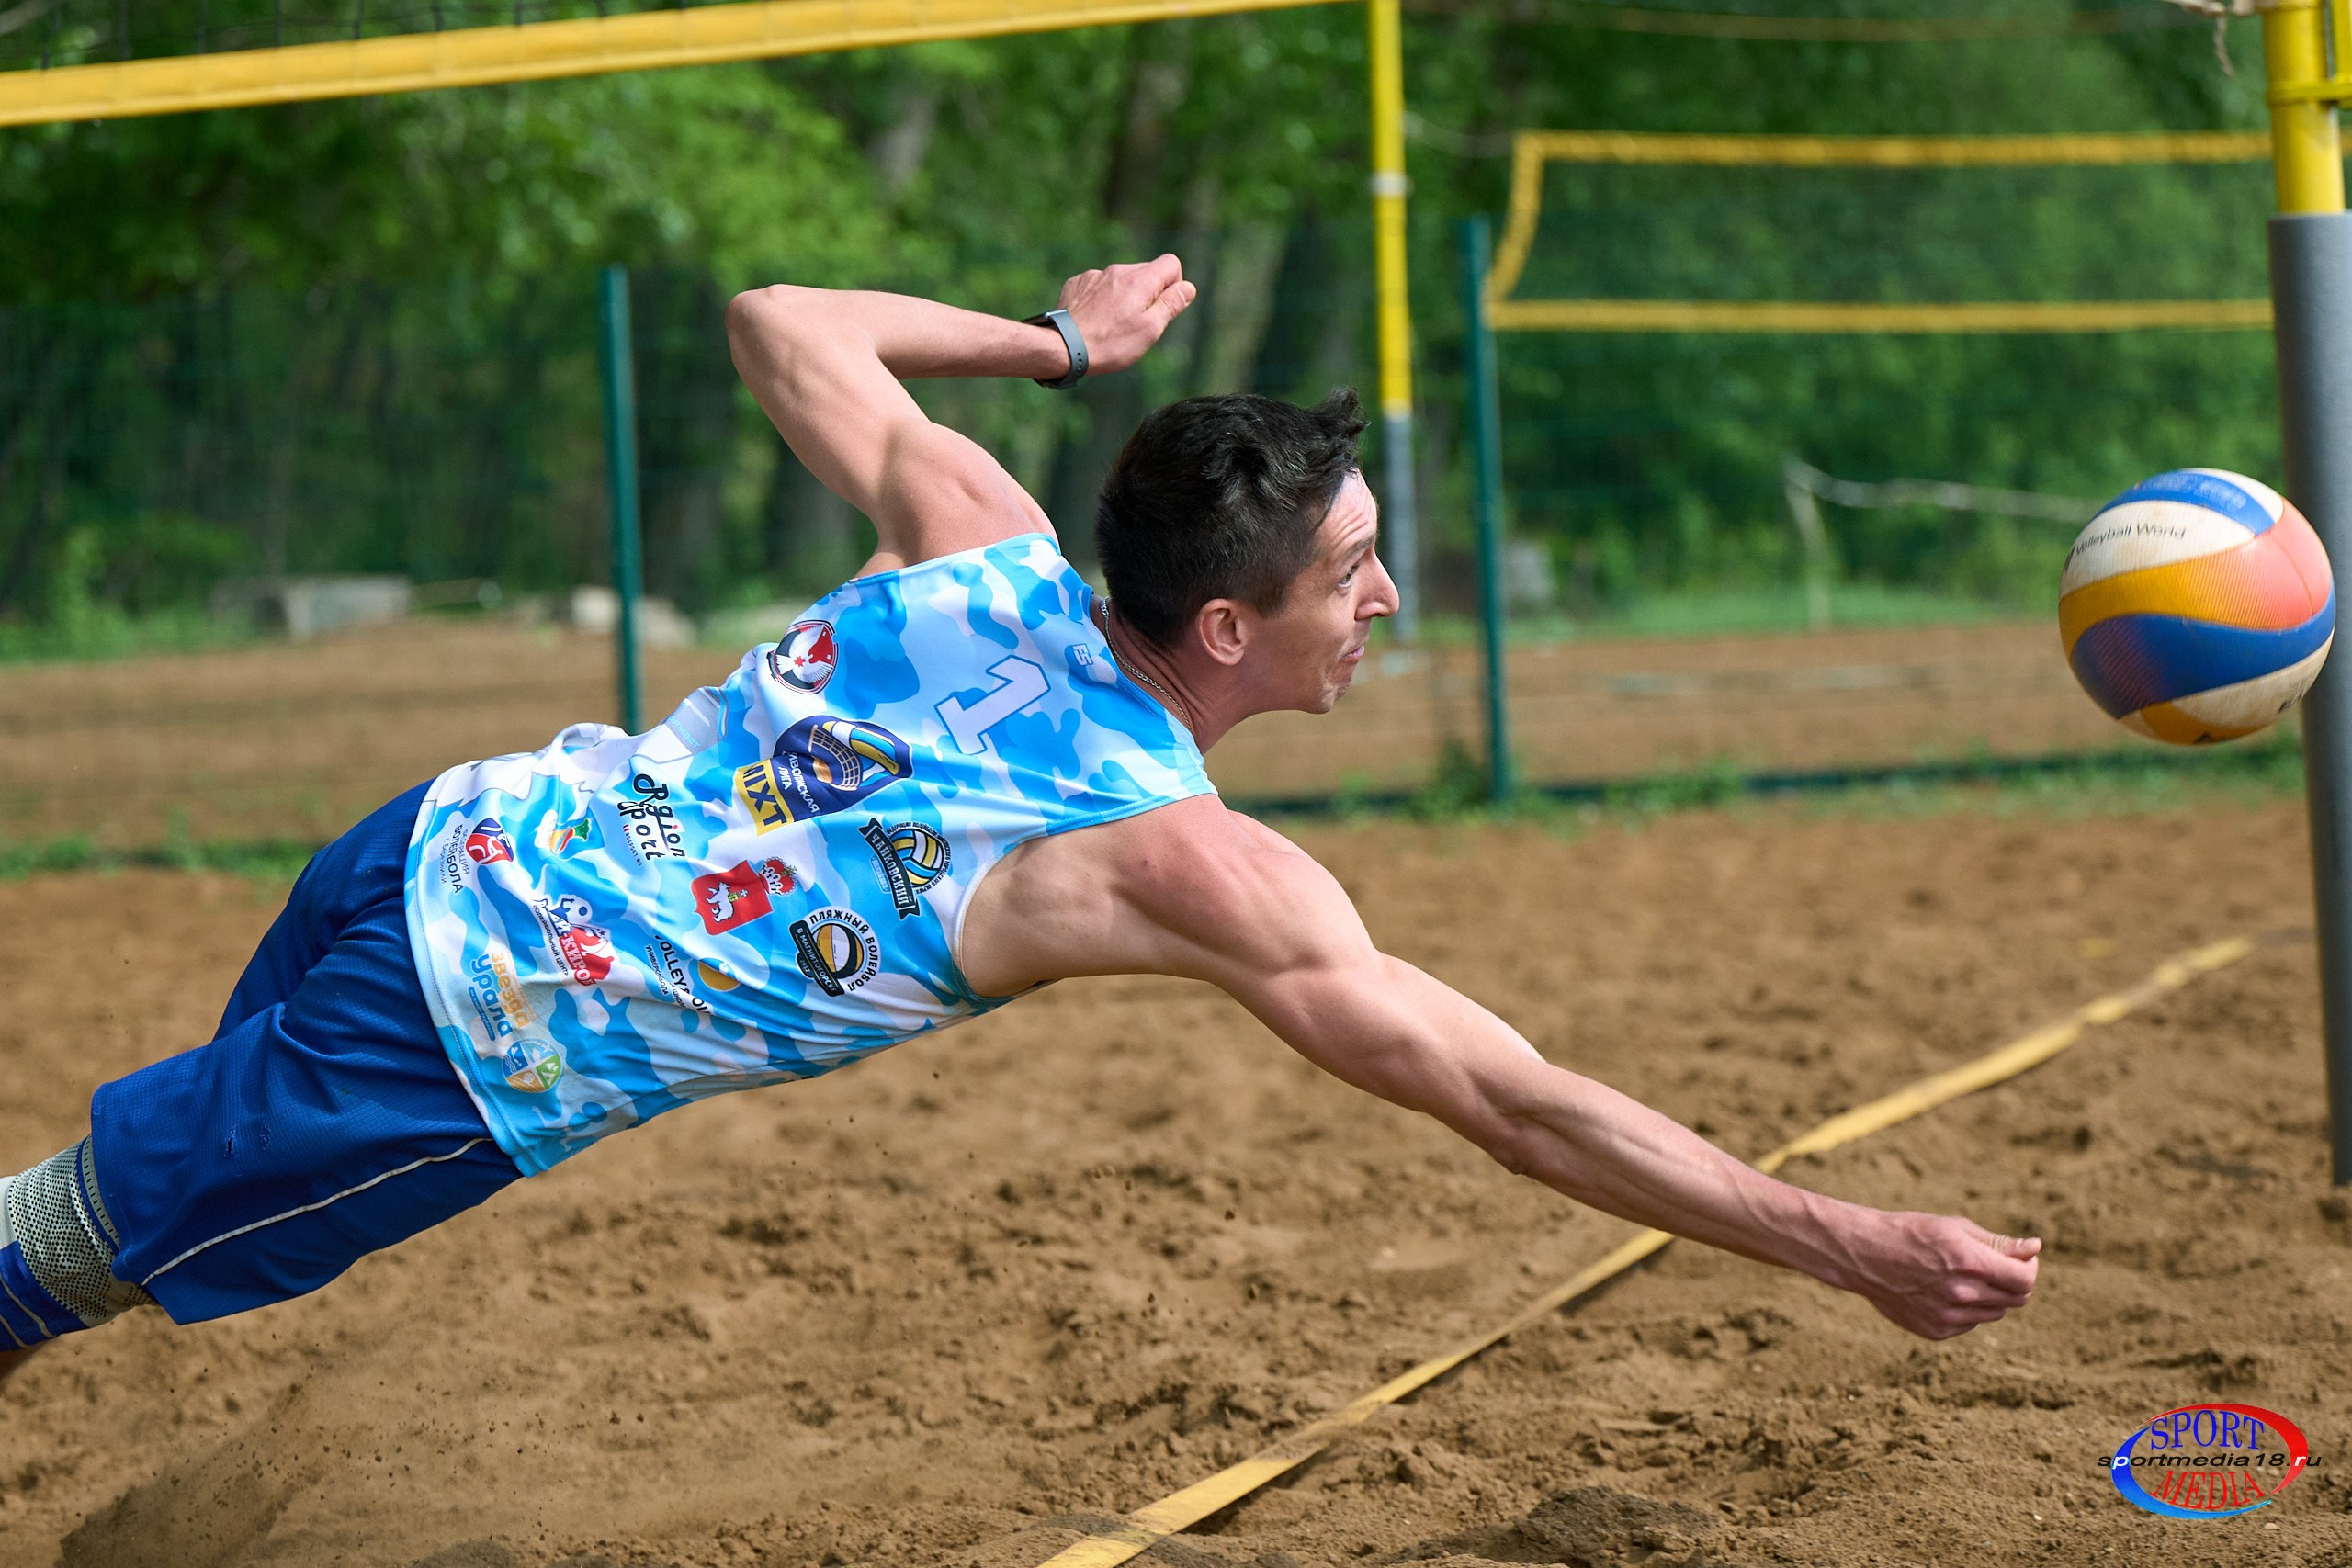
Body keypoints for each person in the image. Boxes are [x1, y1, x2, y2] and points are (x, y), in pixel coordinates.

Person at [0, 256, 2039, 1365]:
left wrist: (1057, 340)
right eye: (1356, 571)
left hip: (430, 838)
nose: (1389, 597)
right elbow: (1508, 1101)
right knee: (67, 1241)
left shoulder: (977, 538)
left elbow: (781, 322)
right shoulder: (1173, 860)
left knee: (99, 1224)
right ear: (1226, 624)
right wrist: (1837, 1235)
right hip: (460, 1038)